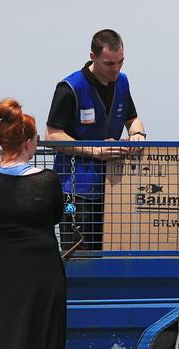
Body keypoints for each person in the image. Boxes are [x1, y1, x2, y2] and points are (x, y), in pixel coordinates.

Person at [0, 98, 65, 349]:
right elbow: (57, 215)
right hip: (40, 274)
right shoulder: (47, 181)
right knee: (39, 337)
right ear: (29, 143)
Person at [46, 29, 147, 250]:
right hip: (75, 191)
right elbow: (52, 135)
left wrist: (137, 134)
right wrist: (95, 150)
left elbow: (133, 118)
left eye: (121, 62)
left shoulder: (122, 82)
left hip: (113, 187)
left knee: (111, 253)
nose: (117, 69)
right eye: (109, 63)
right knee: (79, 256)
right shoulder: (70, 87)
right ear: (93, 57)